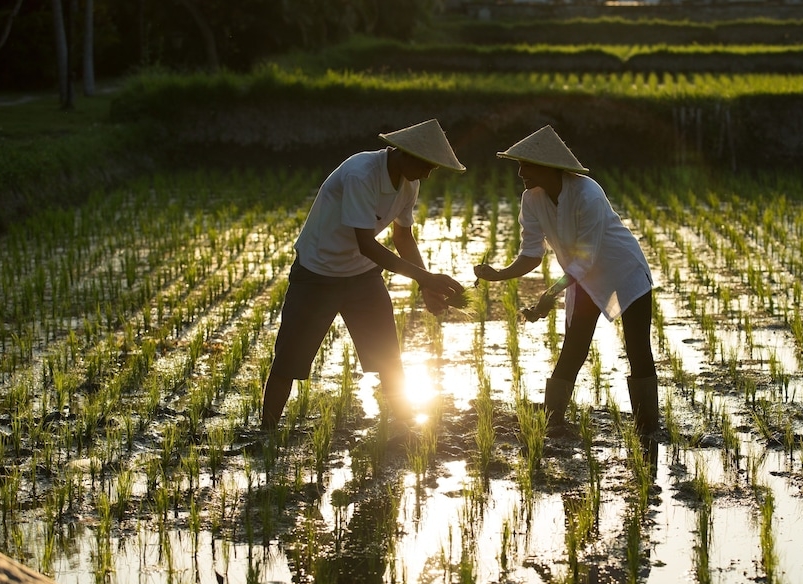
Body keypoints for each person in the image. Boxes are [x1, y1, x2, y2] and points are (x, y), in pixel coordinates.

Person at [261, 119, 466, 432]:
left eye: (433, 169)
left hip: (361, 276)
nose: (427, 174)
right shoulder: (362, 174)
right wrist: (425, 278)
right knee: (289, 359)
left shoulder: (409, 182)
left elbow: (403, 238)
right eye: (426, 166)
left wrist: (426, 287)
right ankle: (266, 432)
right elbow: (367, 244)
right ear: (403, 154)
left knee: (388, 357)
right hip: (317, 272)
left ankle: (403, 427)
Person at [473, 125, 660, 454]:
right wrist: (498, 275)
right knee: (573, 349)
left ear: (548, 167)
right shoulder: (532, 200)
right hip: (582, 280)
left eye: (525, 165)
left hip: (624, 274)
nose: (519, 173)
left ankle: (647, 428)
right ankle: (552, 420)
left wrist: (548, 295)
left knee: (638, 350)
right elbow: (532, 253)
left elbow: (584, 260)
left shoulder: (588, 195)